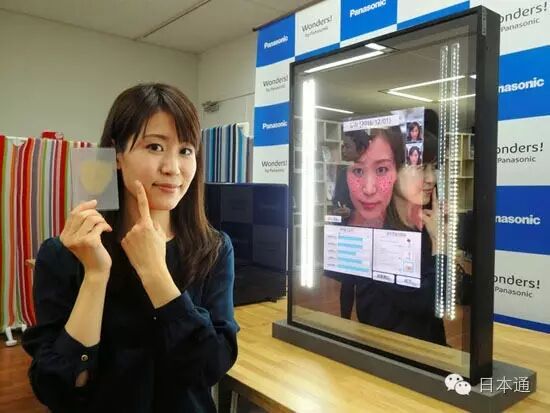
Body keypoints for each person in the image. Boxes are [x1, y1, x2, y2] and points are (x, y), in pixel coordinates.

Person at [22, 83, 239, 413]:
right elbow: (57, 389)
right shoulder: (63, 254)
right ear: (116, 155)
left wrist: (155, 273)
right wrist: (95, 275)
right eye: (155, 146)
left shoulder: (214, 249)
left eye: (186, 150)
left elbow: (210, 367)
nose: (173, 167)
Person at [354, 129, 447, 345]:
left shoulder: (421, 223)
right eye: (421, 168)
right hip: (394, 351)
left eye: (434, 167)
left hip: (427, 347)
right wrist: (440, 243)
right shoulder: (381, 235)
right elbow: (430, 302)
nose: (431, 179)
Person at [326, 126, 404, 319]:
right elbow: (336, 199)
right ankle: (345, 319)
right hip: (348, 233)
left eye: (347, 146)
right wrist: (338, 211)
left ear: (361, 148)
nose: (343, 150)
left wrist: (352, 212)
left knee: (366, 282)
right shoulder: (343, 172)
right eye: (342, 146)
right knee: (347, 281)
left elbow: (378, 206)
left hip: (367, 233)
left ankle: (367, 320)